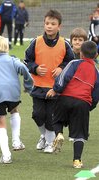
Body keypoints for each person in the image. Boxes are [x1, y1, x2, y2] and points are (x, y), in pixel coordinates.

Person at [24, 9, 74, 153]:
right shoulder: (36, 42)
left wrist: (61, 69)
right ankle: (44, 136)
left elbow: (71, 63)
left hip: (56, 88)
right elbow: (27, 60)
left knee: (51, 116)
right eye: (47, 23)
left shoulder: (64, 44)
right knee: (38, 115)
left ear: (59, 26)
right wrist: (35, 68)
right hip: (38, 86)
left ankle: (50, 143)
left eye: (53, 24)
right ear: (44, 24)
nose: (49, 26)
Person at [46, 41, 99, 169]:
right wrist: (89, 106)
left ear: (80, 53)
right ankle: (77, 160)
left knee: (57, 119)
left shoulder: (74, 63)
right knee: (80, 133)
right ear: (96, 55)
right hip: (83, 103)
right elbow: (96, 94)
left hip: (66, 98)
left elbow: (63, 77)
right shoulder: (96, 72)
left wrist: (56, 89)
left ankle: (59, 134)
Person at [0, 36, 33, 164]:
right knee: (14, 110)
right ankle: (16, 141)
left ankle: (6, 155)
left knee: (1, 124)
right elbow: (24, 69)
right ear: (6, 47)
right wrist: (28, 86)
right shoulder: (12, 60)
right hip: (13, 91)